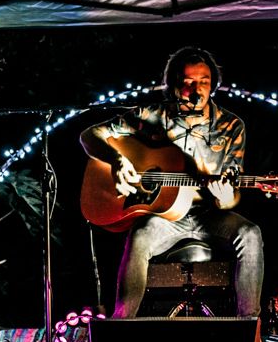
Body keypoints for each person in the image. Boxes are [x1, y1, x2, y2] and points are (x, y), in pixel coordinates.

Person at [80, 46, 264, 318]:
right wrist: (117, 160)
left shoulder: (231, 126)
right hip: (165, 217)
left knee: (251, 234)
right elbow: (90, 134)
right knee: (141, 234)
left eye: (204, 82)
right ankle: (121, 326)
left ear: (213, 85)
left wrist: (226, 197)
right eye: (188, 82)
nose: (196, 90)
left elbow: (232, 192)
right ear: (173, 85)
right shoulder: (151, 116)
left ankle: (249, 327)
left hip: (210, 215)